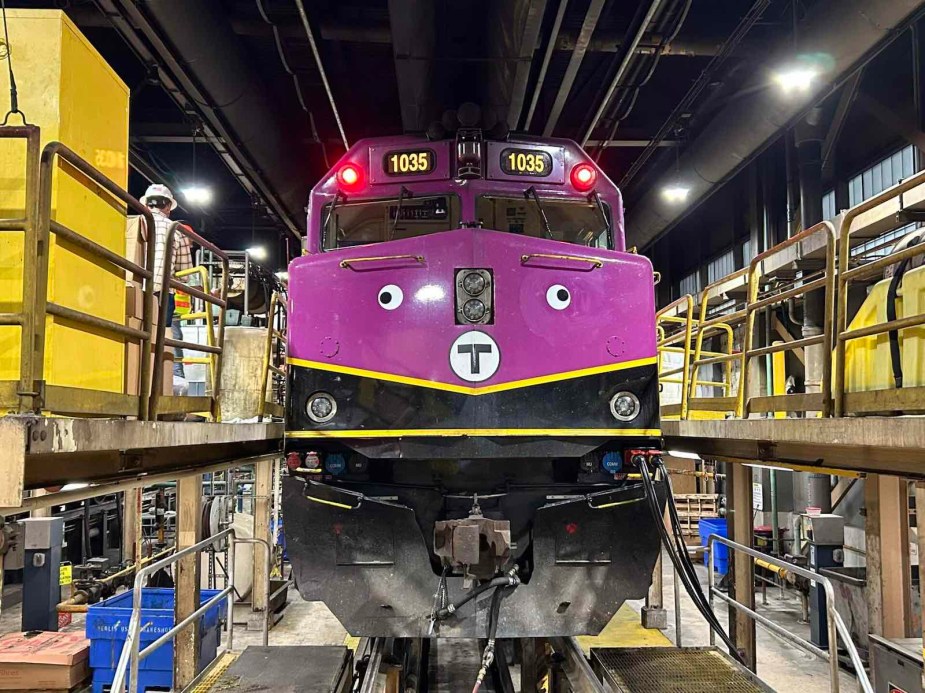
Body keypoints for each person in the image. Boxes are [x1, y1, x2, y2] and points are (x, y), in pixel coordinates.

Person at [140, 183, 194, 390]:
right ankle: (159, 385)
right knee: (161, 337)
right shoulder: (176, 230)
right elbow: (185, 273)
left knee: (136, 334)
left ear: (146, 203)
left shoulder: (135, 223)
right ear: (169, 206)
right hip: (161, 292)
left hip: (133, 288)